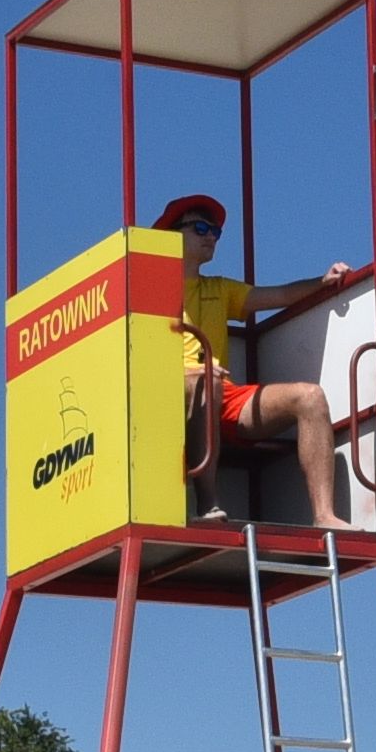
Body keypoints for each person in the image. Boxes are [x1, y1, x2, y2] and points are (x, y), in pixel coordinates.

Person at [151, 194, 356, 531]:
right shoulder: (149, 290)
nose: (210, 236)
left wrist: (322, 282)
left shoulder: (220, 289)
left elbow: (279, 295)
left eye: (215, 231)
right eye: (200, 228)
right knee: (207, 381)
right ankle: (207, 504)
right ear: (173, 233)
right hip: (168, 396)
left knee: (310, 397)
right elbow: (136, 357)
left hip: (220, 394)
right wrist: (192, 371)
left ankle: (324, 516)